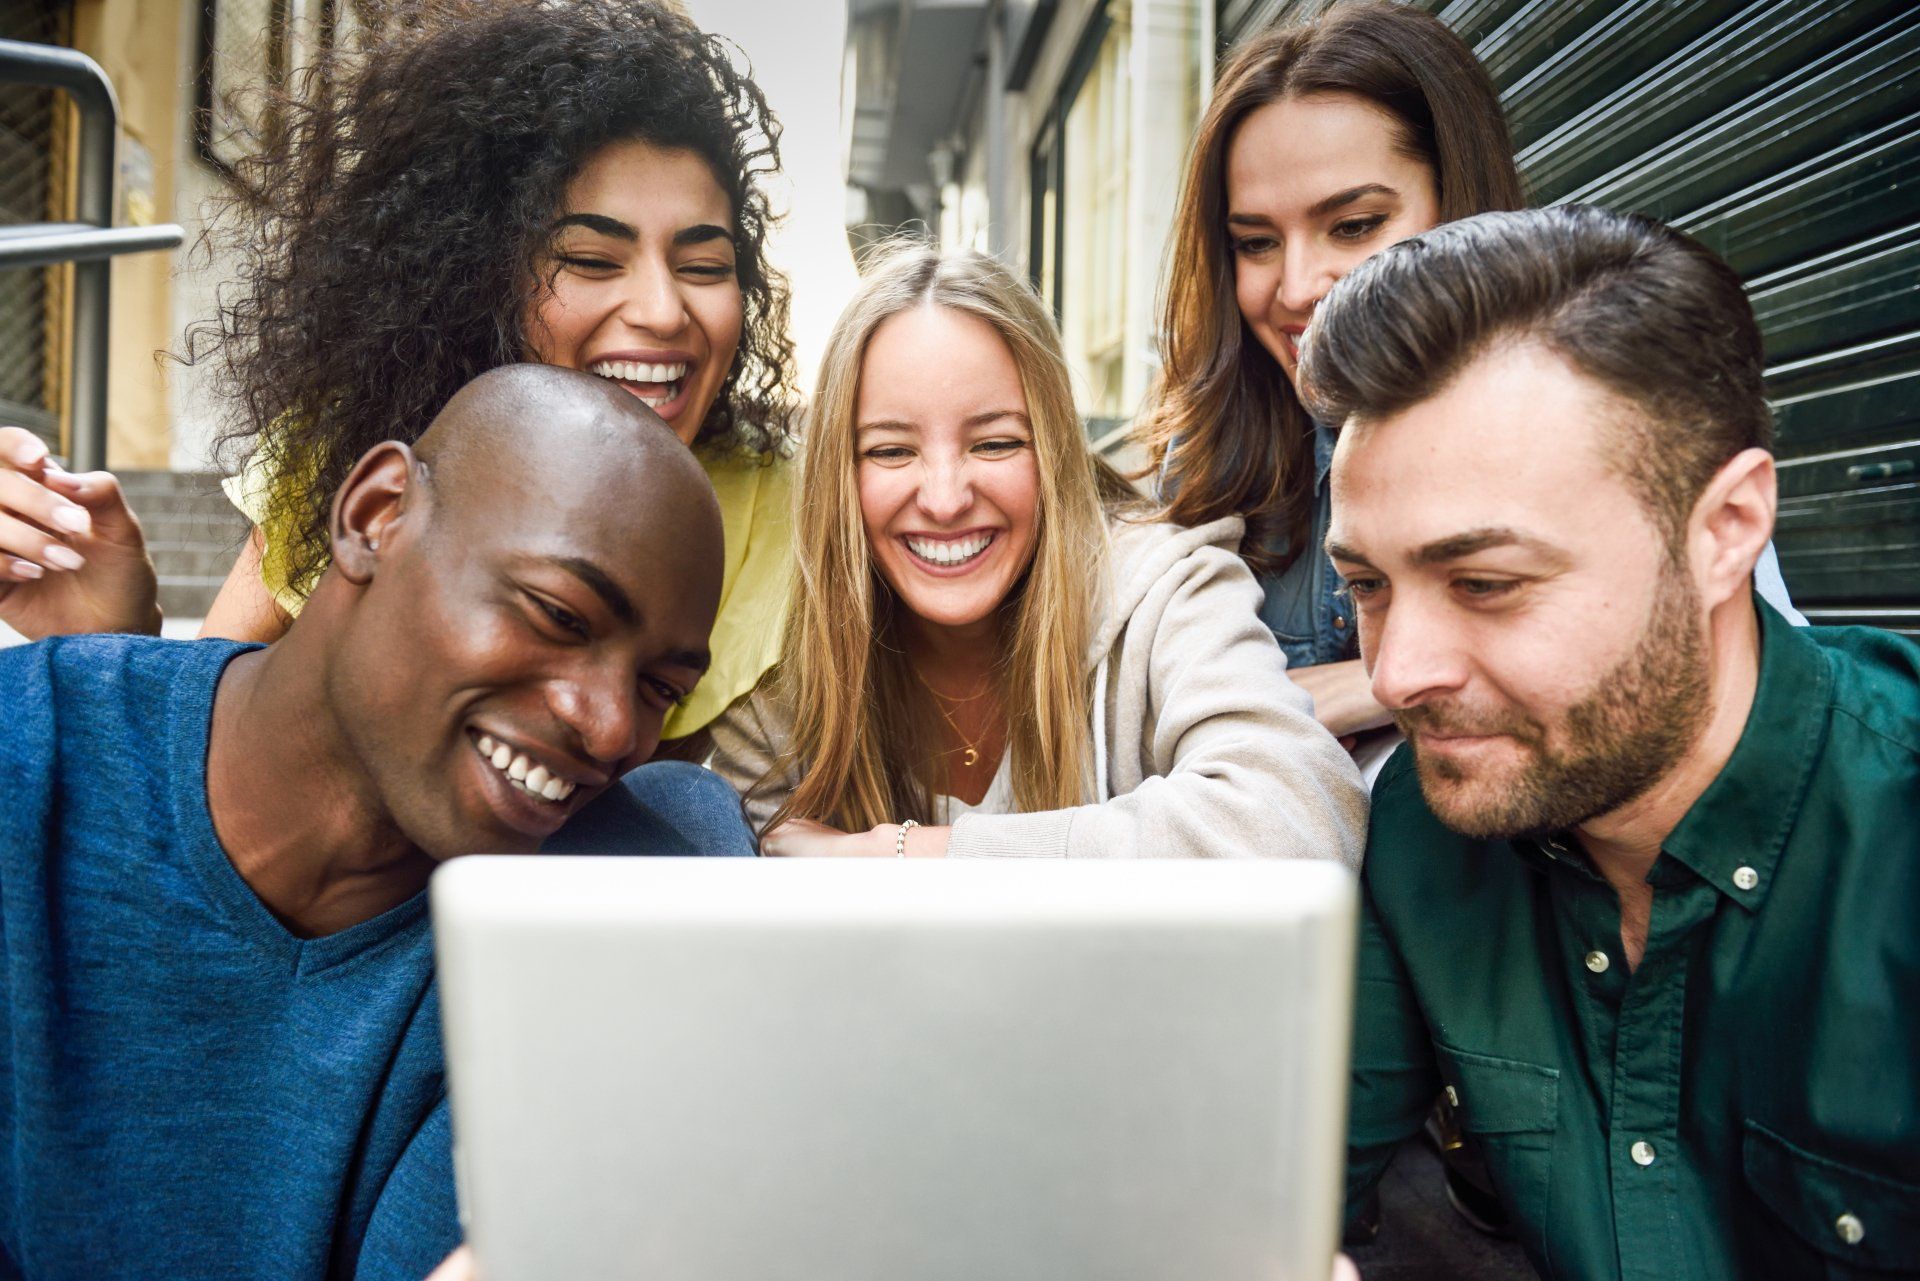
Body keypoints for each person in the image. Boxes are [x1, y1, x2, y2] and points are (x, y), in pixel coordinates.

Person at [0, 366, 750, 1279]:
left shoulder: (617, 894)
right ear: (375, 514)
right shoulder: (32, 759)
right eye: (559, 614)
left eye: (661, 688)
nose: (611, 726)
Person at [1307, 207, 1920, 1279]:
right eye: (1365, 585)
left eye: (1485, 584)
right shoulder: (1430, 821)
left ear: (1725, 531)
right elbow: (1277, 1196)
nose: (1398, 673)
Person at [0, 0, 794, 747]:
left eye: (703, 264)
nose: (662, 310)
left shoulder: (775, 509)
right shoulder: (351, 438)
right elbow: (201, 747)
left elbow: (692, 830)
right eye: (589, 259)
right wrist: (111, 642)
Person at [1134, 0, 1802, 744]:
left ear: (1458, 202)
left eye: (1353, 226)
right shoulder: (1209, 461)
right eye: (1255, 242)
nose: (1295, 286)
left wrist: (1353, 690)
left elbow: (1739, 687)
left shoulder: (1597, 399)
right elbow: (1157, 724)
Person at [708, 244, 1367, 863]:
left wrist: (902, 853)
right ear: (839, 475)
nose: (944, 498)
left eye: (994, 443)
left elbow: (1297, 816)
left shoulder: (1164, 589)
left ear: (1052, 450)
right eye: (890, 450)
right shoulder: (784, 666)